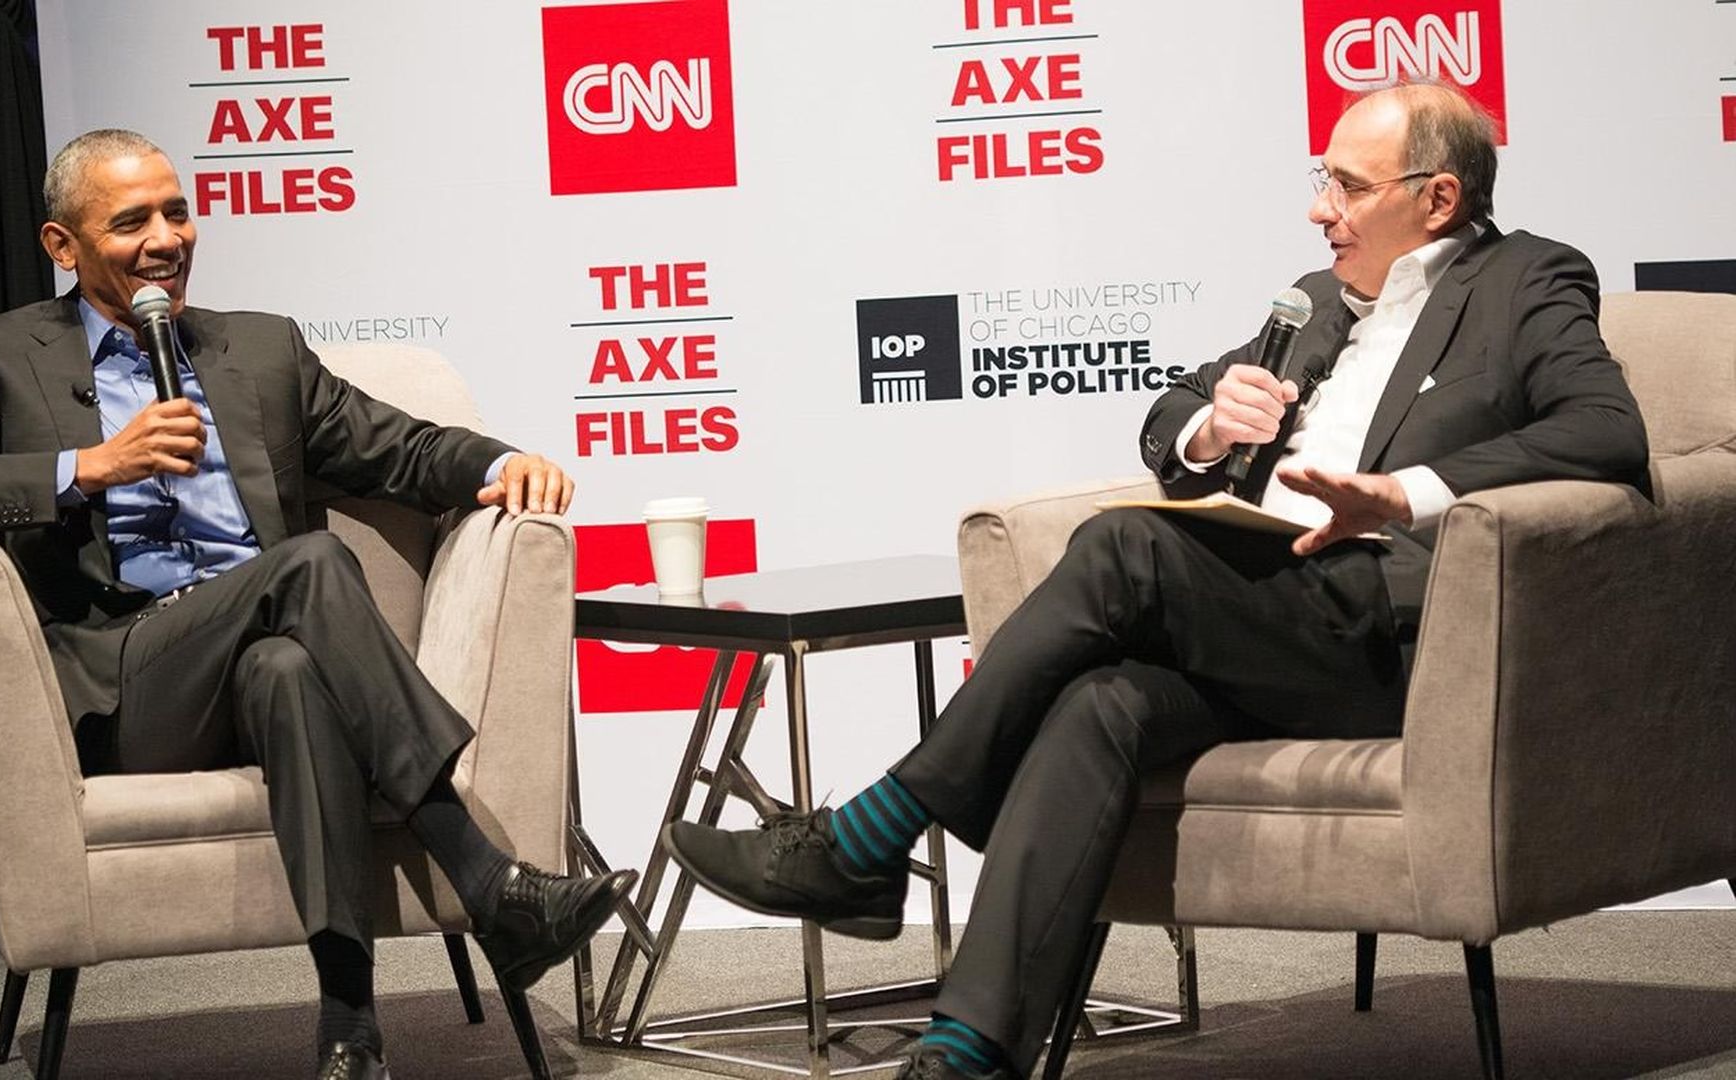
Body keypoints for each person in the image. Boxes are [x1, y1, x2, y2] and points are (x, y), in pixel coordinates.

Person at [661, 81, 1650, 1080]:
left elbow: (1606, 432)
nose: (1320, 208)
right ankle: (967, 1052)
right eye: (1322, 182)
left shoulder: (1527, 280)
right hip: (1264, 622)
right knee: (1101, 704)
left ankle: (869, 837)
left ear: (1437, 199)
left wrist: (1398, 495)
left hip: (1389, 646)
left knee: (1123, 547)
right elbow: (1169, 415)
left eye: (1347, 186)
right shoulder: (1311, 302)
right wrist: (1215, 425)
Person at [0, 129, 635, 1080]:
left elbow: (397, 447)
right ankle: (483, 876)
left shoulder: (256, 349)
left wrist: (498, 460)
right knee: (309, 564)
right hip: (135, 686)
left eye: (177, 212)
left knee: (289, 667)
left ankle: (349, 1025)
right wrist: (87, 467)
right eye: (131, 222)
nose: (166, 240)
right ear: (62, 247)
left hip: (267, 665)